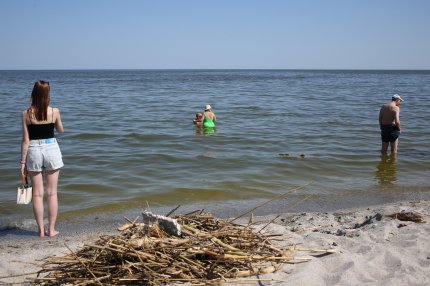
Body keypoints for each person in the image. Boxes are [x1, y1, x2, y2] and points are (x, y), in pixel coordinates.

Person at [20, 80, 64, 238]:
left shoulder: (26, 113)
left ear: (34, 94)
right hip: (51, 147)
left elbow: (25, 140)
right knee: (52, 193)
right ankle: (51, 230)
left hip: (33, 150)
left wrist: (22, 163)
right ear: (48, 95)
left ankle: (40, 231)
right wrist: (55, 123)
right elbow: (60, 130)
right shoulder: (55, 111)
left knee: (37, 194)